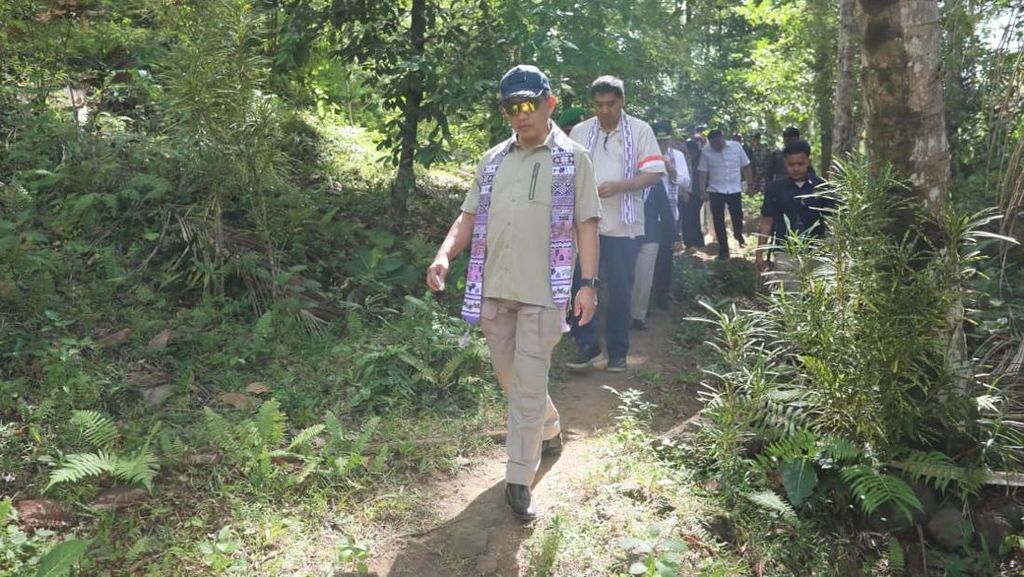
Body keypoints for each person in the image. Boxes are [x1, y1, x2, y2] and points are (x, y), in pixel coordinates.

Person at [425, 65, 601, 521]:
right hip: (493, 290)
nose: (521, 115)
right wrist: (445, 255)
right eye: (511, 108)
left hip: (545, 293)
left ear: (550, 104)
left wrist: (588, 284)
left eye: (529, 105)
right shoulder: (493, 159)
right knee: (513, 380)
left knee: (526, 382)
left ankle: (518, 478)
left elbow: (587, 224)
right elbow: (467, 216)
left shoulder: (572, 158)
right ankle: (550, 426)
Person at [566, 76, 664, 372]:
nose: (605, 111)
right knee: (582, 284)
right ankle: (588, 346)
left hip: (624, 225)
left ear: (622, 101)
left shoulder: (640, 130)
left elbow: (655, 173)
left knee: (621, 289)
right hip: (586, 226)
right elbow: (566, 169)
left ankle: (618, 351)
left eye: (610, 104)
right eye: (598, 105)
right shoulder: (582, 131)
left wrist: (621, 186)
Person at [754, 139, 834, 292]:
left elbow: (833, 220)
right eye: (791, 164)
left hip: (817, 250)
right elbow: (767, 222)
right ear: (785, 163)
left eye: (800, 164)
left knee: (822, 295)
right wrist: (759, 253)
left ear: (808, 162)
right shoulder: (775, 188)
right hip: (785, 249)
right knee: (791, 294)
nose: (796, 168)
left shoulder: (822, 187)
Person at [630, 121, 685, 329]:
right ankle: (619, 312)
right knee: (624, 276)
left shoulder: (655, 183)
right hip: (624, 235)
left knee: (644, 277)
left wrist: (674, 237)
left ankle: (638, 315)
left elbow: (665, 211)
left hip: (651, 235)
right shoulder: (621, 180)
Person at [696, 129, 753, 260]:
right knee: (718, 220)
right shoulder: (706, 151)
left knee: (737, 214)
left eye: (718, 144)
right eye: (713, 145)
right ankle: (723, 249)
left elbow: (746, 166)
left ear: (723, 138)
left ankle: (738, 233)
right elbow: (702, 172)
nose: (716, 147)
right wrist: (702, 191)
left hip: (734, 188)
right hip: (715, 190)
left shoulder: (736, 147)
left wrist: (750, 184)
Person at [678, 138, 705, 249]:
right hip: (685, 192)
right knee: (686, 217)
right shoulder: (683, 159)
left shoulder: (702, 160)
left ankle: (697, 241)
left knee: (695, 217)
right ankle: (688, 242)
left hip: (697, 192)